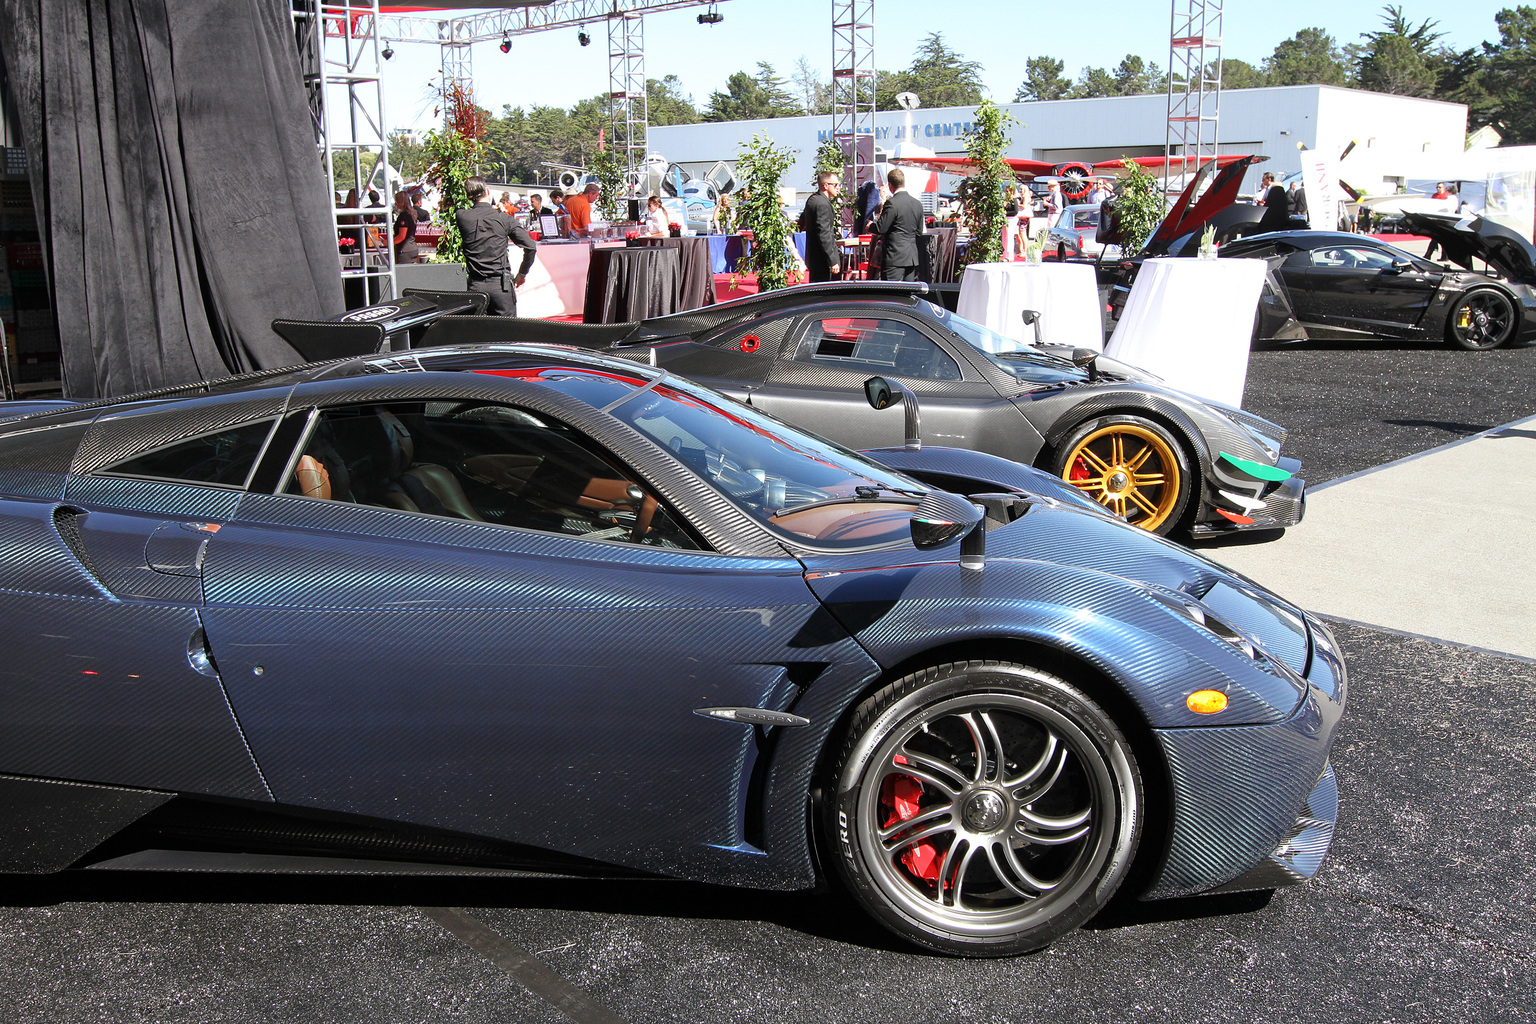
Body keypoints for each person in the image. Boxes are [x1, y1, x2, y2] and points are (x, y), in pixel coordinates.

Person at [455, 175, 538, 317]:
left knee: (477, 335)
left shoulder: (462, 216)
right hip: (501, 285)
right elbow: (531, 246)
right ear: (488, 191)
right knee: (506, 334)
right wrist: (522, 273)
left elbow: (479, 216)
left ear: (469, 196)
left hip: (476, 285)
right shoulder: (503, 218)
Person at [873, 168, 924, 282]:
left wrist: (870, 226)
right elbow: (919, 231)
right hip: (911, 257)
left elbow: (881, 228)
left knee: (891, 294)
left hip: (894, 256)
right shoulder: (917, 204)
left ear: (890, 185)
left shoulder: (892, 203)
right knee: (907, 294)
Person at [800, 171, 842, 282]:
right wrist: (832, 260)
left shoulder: (812, 199)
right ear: (826, 185)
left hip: (815, 257)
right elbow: (824, 233)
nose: (838, 188)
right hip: (822, 259)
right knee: (824, 293)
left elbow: (802, 221)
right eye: (836, 185)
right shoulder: (822, 204)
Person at [392, 190, 419, 264]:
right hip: (412, 248)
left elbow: (402, 236)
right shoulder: (413, 213)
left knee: (403, 273)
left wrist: (390, 242)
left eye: (397, 201)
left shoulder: (403, 216)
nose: (395, 204)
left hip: (404, 250)